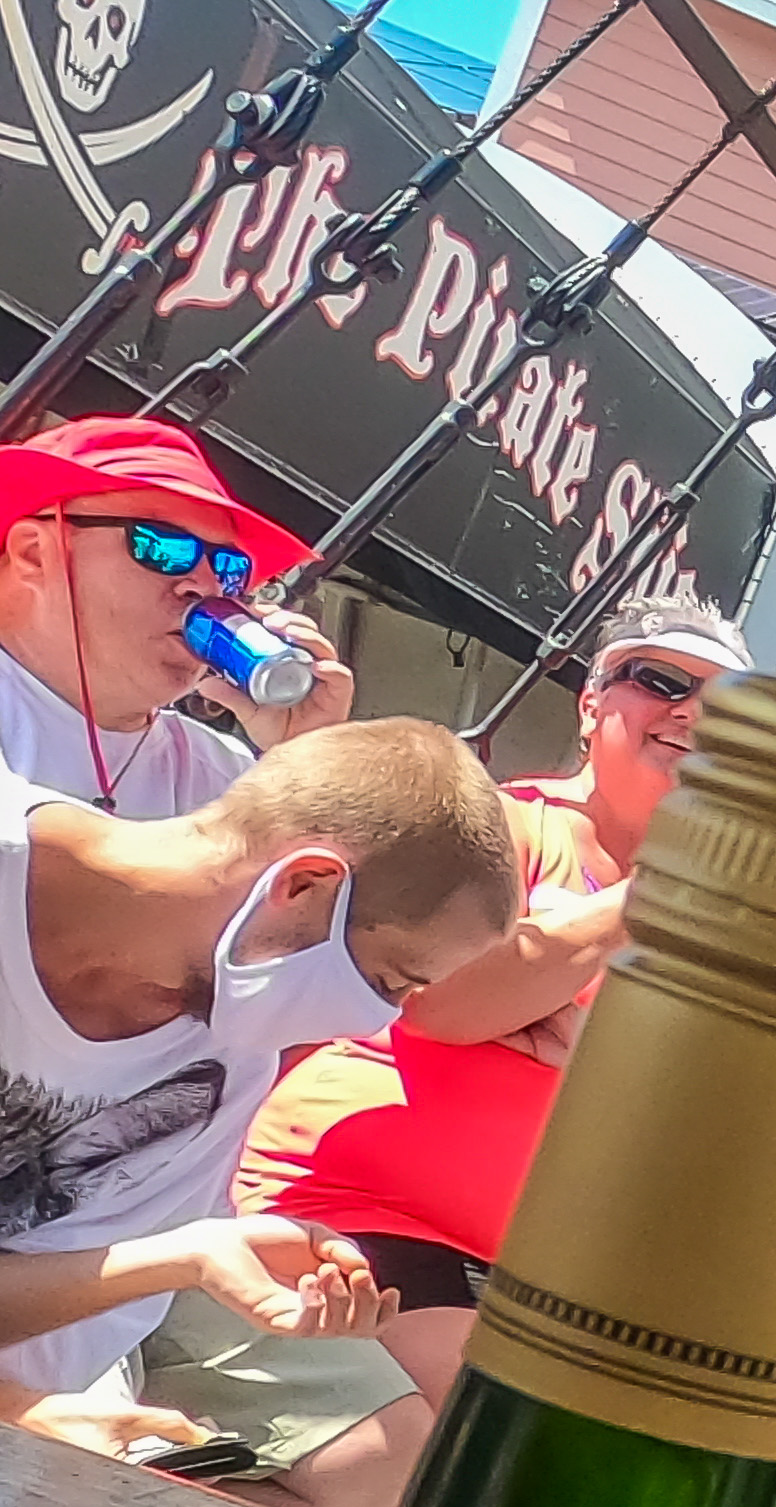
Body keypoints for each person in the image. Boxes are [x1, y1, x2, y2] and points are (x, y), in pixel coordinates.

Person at [0, 726, 520, 1507]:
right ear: (304, 885)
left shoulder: (228, 1055)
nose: (371, 1019)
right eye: (389, 979)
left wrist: (185, 1255)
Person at [236, 595, 746, 1453]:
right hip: (362, 1216)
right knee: (494, 1456)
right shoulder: (498, 826)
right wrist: (639, 907)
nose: (691, 713)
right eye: (661, 681)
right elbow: (449, 1002)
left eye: (728, 706)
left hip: (531, 1275)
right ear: (592, 704)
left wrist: (559, 993)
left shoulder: (720, 929)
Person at [0, 413, 358, 815]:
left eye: (230, 569)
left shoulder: (231, 781)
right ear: (34, 553)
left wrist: (304, 764)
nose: (206, 586)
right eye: (163, 547)